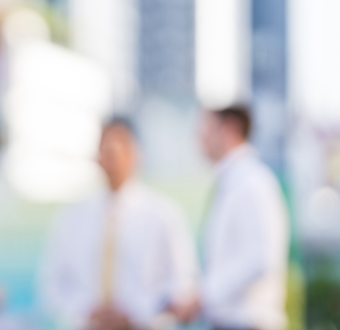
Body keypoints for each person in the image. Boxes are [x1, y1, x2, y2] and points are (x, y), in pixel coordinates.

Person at [39, 119, 199, 330]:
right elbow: (52, 284)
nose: (111, 156)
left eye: (118, 148)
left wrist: (135, 312)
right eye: (105, 149)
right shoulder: (71, 217)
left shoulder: (162, 215)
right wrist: (87, 309)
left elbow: (182, 282)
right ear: (96, 157)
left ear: (135, 154)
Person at [197, 106, 289, 330]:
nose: (200, 138)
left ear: (229, 129)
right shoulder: (231, 182)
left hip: (248, 322)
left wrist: (205, 294)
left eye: (207, 129)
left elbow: (260, 258)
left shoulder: (252, 182)